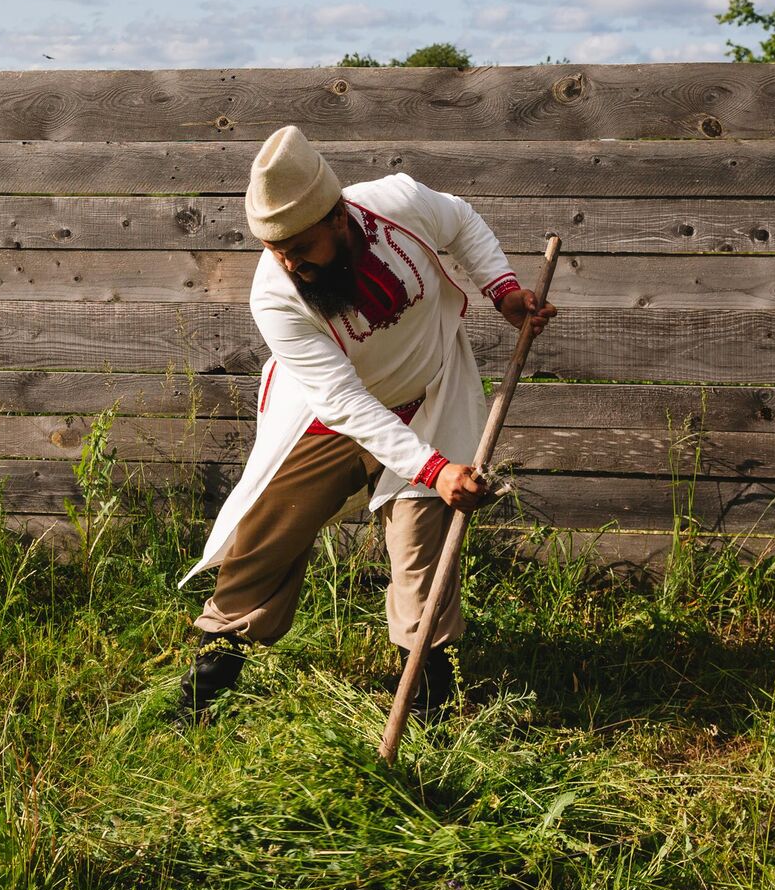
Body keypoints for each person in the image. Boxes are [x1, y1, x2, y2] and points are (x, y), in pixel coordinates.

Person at [176, 123, 556, 718]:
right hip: (329, 414)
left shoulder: (397, 203)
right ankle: (212, 680)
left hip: (430, 395)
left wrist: (502, 290)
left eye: (298, 246)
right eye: (275, 248)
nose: (287, 262)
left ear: (336, 218)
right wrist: (433, 469)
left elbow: (460, 220)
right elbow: (343, 401)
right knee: (270, 530)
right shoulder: (275, 294)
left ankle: (430, 692)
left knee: (420, 549)